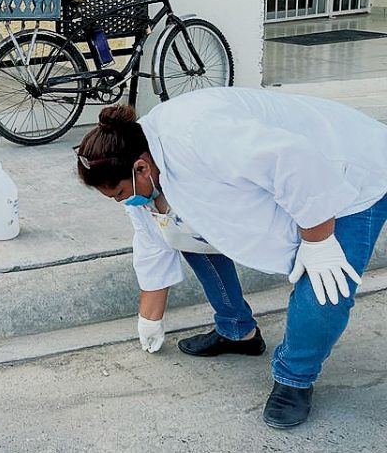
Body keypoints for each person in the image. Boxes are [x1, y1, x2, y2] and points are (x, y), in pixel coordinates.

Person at [74, 86, 387, 428]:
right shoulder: (138, 155)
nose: (123, 202)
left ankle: (295, 379)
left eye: (120, 193)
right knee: (181, 229)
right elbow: (153, 239)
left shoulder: (200, 135)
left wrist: (319, 240)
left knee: (325, 291)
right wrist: (151, 318)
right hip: (296, 180)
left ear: (141, 169)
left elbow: (296, 160)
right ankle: (238, 333)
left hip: (350, 173)